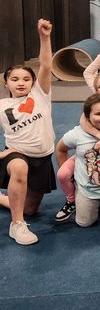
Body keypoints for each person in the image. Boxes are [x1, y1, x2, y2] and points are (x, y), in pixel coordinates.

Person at [0, 19, 56, 245]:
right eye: (14, 79)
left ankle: (6, 201)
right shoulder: (2, 106)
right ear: (6, 84)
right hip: (18, 155)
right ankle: (17, 225)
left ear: (33, 82)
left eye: (26, 79)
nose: (20, 83)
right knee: (19, 167)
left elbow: (46, 66)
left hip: (42, 158)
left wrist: (44, 37)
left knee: (31, 208)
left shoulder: (40, 95)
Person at [54, 72, 100, 222]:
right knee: (63, 174)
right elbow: (83, 121)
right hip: (88, 153)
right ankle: (72, 199)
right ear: (95, 90)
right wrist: (99, 135)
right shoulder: (91, 105)